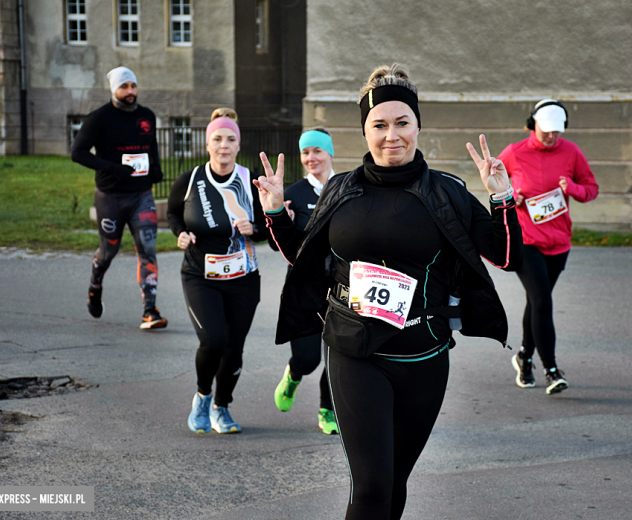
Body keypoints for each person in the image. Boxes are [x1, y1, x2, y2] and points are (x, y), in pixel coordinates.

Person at [256, 64, 523, 520]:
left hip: (423, 355)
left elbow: (506, 254)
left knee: (395, 482)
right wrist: (276, 212)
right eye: (379, 125)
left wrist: (502, 197)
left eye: (402, 123)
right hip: (354, 353)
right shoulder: (342, 189)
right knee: (373, 486)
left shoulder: (447, 191)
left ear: (418, 126)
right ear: (365, 130)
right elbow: (303, 253)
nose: (391, 135)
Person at [166, 109, 267, 434]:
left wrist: (254, 228)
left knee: (233, 349)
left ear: (238, 145)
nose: (224, 145)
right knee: (213, 340)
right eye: (217, 139)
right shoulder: (190, 178)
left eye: (231, 139)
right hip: (200, 275)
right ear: (208, 144)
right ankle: (203, 396)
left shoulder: (249, 181)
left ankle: (222, 407)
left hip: (243, 278)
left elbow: (270, 227)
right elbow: (172, 214)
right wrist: (180, 233)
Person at [498, 99, 599, 395]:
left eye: (557, 132)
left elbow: (591, 189)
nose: (552, 137)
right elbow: (496, 183)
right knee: (542, 301)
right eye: (546, 132)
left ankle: (524, 356)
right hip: (526, 241)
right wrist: (510, 197)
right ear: (533, 125)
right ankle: (551, 370)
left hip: (559, 242)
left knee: (536, 301)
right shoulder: (514, 153)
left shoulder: (572, 152)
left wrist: (573, 189)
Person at [71, 66, 167, 330]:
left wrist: (156, 169)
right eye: (124, 87)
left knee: (147, 250)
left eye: (133, 86)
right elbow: (77, 152)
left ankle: (150, 310)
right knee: (108, 252)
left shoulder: (147, 116)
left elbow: (151, 146)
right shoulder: (99, 118)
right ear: (114, 89)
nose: (130, 92)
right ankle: (95, 285)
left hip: (141, 197)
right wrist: (111, 167)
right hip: (110, 197)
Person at [271, 128, 338, 435]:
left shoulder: (346, 186)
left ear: (329, 153)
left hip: (342, 286)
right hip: (304, 289)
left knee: (338, 356)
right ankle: (295, 373)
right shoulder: (293, 193)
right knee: (309, 358)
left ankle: (328, 410)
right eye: (305, 153)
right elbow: (277, 244)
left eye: (317, 151)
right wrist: (277, 217)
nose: (311, 158)